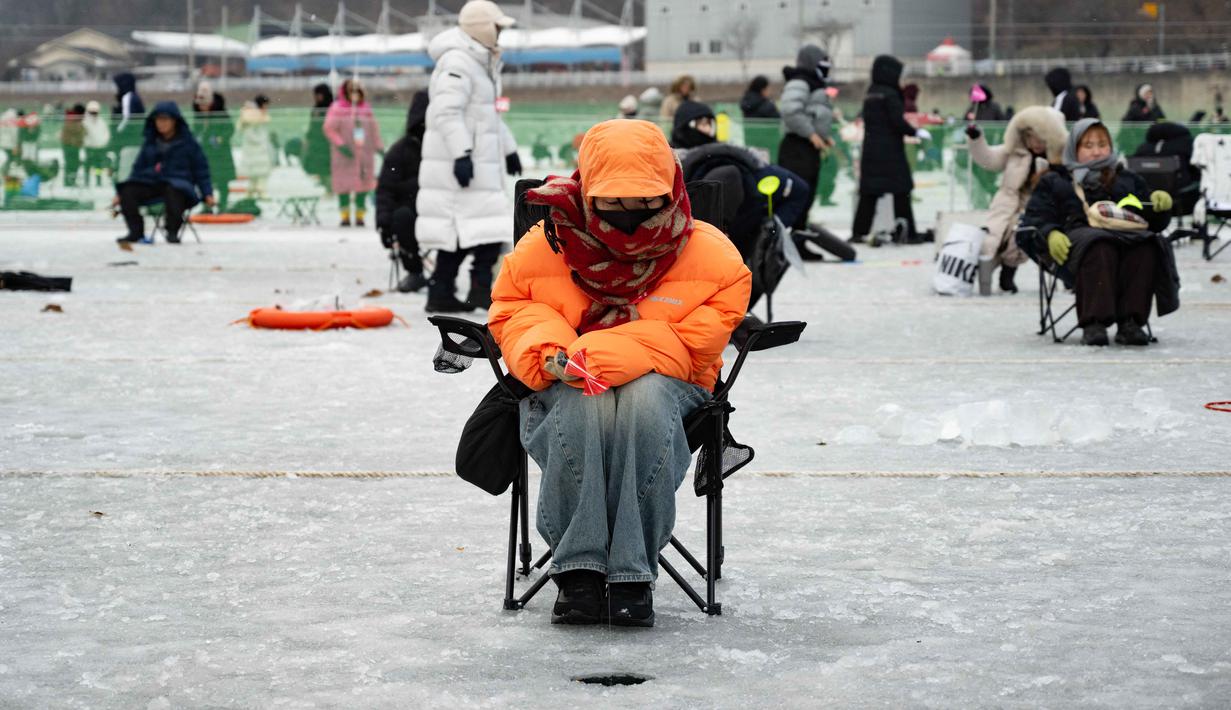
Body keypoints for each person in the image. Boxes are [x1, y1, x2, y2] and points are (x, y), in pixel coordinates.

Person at [487, 119, 751, 627]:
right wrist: (553, 353)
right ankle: (579, 572)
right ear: (587, 193)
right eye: (613, 203)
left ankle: (632, 572)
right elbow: (512, 310)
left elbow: (699, 346)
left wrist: (617, 350)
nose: (630, 218)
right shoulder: (545, 244)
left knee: (645, 399)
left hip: (671, 389)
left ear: (670, 190)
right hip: (563, 382)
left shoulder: (715, 255)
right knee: (584, 400)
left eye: (645, 203)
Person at [1018, 118, 1179, 346]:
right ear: (1074, 149)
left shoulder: (1128, 179)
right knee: (1100, 244)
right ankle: (1094, 324)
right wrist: (1051, 233)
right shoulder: (1054, 180)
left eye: (1102, 144)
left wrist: (1160, 207)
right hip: (1077, 247)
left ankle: (1131, 323)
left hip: (1125, 239)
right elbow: (1036, 217)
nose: (1096, 152)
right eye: (1088, 146)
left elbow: (1151, 222)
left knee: (1147, 244)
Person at [417, 0, 520, 313]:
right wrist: (462, 153)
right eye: (497, 27)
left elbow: (487, 118)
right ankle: (454, 288)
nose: (500, 33)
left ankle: (460, 288)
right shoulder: (458, 62)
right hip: (462, 165)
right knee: (467, 232)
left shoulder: (478, 62)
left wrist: (509, 148)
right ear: (483, 28)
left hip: (480, 163)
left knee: (482, 231)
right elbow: (447, 112)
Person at [670, 99, 813, 305]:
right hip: (695, 251)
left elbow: (798, 189)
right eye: (699, 123)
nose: (707, 129)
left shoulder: (738, 159)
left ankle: (738, 310)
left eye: (710, 123)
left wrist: (772, 228)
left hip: (727, 244)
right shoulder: (669, 164)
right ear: (684, 127)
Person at [966, 106, 1068, 295]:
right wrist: (976, 139)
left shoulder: (1059, 160)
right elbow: (988, 159)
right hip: (1007, 203)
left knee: (1019, 238)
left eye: (1040, 137)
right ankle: (988, 277)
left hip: (1037, 206)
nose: (1034, 142)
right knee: (993, 239)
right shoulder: (1015, 152)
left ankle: (1009, 275)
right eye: (1029, 136)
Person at [111, 101, 214, 245]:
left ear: (174, 121)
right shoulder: (150, 142)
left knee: (173, 190)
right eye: (158, 119)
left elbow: (201, 169)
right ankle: (135, 232)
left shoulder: (189, 144)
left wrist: (207, 193)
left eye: (165, 119)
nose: (161, 123)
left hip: (179, 185)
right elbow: (138, 168)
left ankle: (172, 231)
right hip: (152, 182)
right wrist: (120, 193)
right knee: (127, 191)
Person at [851, 55, 923, 245]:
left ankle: (859, 231)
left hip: (871, 151)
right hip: (891, 152)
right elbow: (897, 122)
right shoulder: (890, 95)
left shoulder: (870, 94)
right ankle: (907, 231)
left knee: (868, 194)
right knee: (902, 192)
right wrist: (916, 131)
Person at [376, 91, 430, 293]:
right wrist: (383, 223)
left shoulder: (452, 149)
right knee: (401, 217)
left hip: (442, 210)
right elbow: (385, 190)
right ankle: (415, 271)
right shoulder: (399, 152)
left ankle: (445, 278)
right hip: (412, 212)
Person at [776, 45, 834, 231]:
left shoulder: (814, 83)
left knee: (807, 195)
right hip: (797, 148)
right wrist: (811, 134)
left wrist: (823, 136)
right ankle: (789, 239)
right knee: (798, 194)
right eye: (822, 64)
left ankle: (799, 238)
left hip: (809, 148)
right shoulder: (800, 82)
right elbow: (790, 111)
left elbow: (813, 112)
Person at [325, 79, 383, 227]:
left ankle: (360, 216)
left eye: (357, 91)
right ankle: (344, 217)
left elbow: (374, 130)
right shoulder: (337, 109)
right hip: (344, 156)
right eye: (352, 91)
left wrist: (379, 147)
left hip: (364, 155)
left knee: (363, 188)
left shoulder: (366, 110)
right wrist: (341, 145)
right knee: (343, 188)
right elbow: (329, 129)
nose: (355, 95)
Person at [192, 83, 236, 211]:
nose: (202, 107)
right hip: (205, 153)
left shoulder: (221, 113)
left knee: (222, 181)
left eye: (204, 105)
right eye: (200, 105)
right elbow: (196, 130)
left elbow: (230, 129)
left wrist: (219, 138)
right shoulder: (198, 115)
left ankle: (223, 205)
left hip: (221, 154)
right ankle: (207, 207)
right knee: (205, 181)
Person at [236, 94, 275, 200]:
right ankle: (259, 191)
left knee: (254, 172)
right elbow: (253, 133)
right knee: (261, 172)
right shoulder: (255, 116)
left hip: (253, 149)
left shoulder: (249, 115)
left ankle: (251, 191)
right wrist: (261, 142)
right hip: (257, 149)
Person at [303, 84, 334, 189]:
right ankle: (326, 185)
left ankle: (330, 187)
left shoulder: (332, 108)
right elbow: (312, 125)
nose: (317, 97)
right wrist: (308, 138)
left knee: (328, 166)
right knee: (319, 166)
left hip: (328, 142)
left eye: (319, 94)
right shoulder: (316, 108)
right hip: (317, 141)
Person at [111, 72, 145, 149]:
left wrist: (117, 132)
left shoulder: (127, 97)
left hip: (129, 139)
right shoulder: (135, 96)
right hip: (137, 137)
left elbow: (127, 118)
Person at [82, 100, 112, 186]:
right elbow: (84, 136)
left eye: (95, 112)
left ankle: (98, 181)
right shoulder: (85, 123)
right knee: (88, 164)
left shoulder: (101, 122)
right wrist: (87, 143)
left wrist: (103, 142)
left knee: (98, 166)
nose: (94, 114)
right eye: (92, 112)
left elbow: (106, 134)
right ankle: (86, 181)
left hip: (100, 147)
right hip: (89, 148)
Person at [59, 104, 85, 187]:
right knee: (72, 164)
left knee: (72, 164)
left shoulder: (71, 119)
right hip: (70, 146)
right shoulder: (73, 120)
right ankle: (69, 182)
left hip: (71, 146)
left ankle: (69, 181)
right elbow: (77, 132)